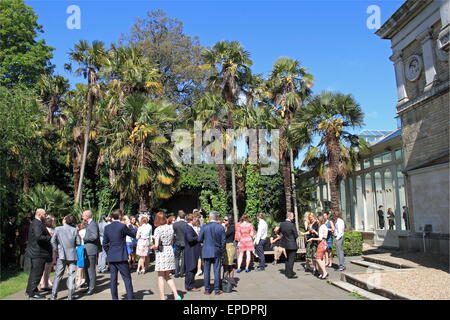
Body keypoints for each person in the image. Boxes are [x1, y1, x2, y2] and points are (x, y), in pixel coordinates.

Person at [103, 209, 137, 300]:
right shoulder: (122, 226)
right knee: (127, 278)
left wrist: (109, 253)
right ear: (120, 216)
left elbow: (104, 244)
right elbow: (133, 234)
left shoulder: (107, 228)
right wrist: (129, 224)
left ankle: (114, 298)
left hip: (112, 256)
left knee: (113, 279)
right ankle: (130, 297)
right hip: (121, 256)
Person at [151, 212, 183, 300]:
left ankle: (162, 297)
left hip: (162, 252)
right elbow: (172, 240)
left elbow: (156, 245)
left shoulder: (157, 229)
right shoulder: (170, 228)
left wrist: (152, 247)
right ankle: (176, 295)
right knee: (168, 275)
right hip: (169, 250)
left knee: (161, 276)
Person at [49, 215, 80, 300]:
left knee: (58, 275)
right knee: (72, 276)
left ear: (65, 221)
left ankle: (53, 296)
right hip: (72, 255)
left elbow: (52, 241)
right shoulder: (74, 230)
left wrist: (57, 249)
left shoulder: (58, 229)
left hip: (61, 255)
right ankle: (70, 296)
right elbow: (79, 242)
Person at [25, 208, 52, 299]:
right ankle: (32, 293)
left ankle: (30, 290)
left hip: (37, 252)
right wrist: (49, 238)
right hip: (38, 252)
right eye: (45, 214)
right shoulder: (36, 223)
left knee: (34, 272)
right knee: (37, 273)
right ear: (40, 214)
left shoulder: (37, 222)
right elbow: (39, 237)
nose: (46, 216)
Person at [198, 211, 226, 295]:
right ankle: (217, 290)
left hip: (206, 250)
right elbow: (223, 241)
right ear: (217, 218)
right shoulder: (220, 227)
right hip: (217, 250)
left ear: (209, 218)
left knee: (206, 271)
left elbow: (199, 239)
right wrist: (221, 250)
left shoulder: (204, 227)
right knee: (217, 270)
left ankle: (207, 290)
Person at [82, 210, 100, 295]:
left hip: (91, 250)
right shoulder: (90, 224)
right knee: (86, 269)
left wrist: (85, 238)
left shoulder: (92, 224)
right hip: (87, 249)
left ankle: (91, 288)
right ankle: (89, 286)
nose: (82, 217)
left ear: (87, 216)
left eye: (83, 216)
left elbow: (94, 236)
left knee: (90, 270)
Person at [306, 215, 329, 279]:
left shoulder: (321, 227)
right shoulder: (324, 226)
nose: (317, 221)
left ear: (320, 221)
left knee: (318, 258)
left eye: (318, 220)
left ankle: (324, 272)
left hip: (321, 243)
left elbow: (320, 238)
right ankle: (322, 273)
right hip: (324, 242)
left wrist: (312, 239)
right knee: (321, 258)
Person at [183, 214, 202, 292]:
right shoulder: (188, 228)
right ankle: (190, 286)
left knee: (191, 268)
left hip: (192, 251)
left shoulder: (189, 227)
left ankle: (189, 285)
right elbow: (190, 239)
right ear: (191, 220)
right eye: (195, 220)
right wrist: (199, 237)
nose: (196, 221)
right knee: (191, 268)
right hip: (191, 251)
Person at [279, 212, 298, 279]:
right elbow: (296, 235)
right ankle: (290, 274)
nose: (294, 217)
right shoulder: (292, 225)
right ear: (289, 216)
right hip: (292, 244)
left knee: (287, 259)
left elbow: (280, 233)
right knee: (291, 259)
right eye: (293, 216)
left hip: (285, 244)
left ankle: (287, 272)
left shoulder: (281, 224)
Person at [40, 215, 56, 291]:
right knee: (46, 267)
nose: (53, 222)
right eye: (52, 221)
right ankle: (44, 283)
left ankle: (46, 281)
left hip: (52, 249)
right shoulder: (45, 229)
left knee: (49, 267)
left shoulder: (52, 229)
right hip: (48, 249)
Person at [172, 210, 187, 278]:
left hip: (177, 242)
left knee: (176, 258)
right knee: (183, 258)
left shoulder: (175, 224)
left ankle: (176, 272)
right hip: (185, 242)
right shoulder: (186, 225)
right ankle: (182, 272)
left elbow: (173, 234)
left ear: (178, 216)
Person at [222, 215, 236, 279]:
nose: (224, 221)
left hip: (229, 247)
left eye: (226, 220)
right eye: (224, 219)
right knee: (225, 265)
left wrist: (223, 227)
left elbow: (224, 235)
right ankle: (225, 281)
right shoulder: (227, 227)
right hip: (225, 247)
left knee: (229, 265)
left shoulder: (231, 228)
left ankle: (229, 281)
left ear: (229, 221)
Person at [76, 222, 87, 289]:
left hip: (79, 248)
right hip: (82, 247)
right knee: (82, 265)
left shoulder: (80, 232)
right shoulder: (85, 231)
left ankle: (79, 280)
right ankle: (82, 279)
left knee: (80, 265)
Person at [193, 210, 203, 277]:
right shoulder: (200, 227)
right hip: (200, 243)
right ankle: (199, 269)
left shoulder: (195, 228)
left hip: (196, 243)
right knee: (199, 257)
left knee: (198, 257)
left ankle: (199, 269)